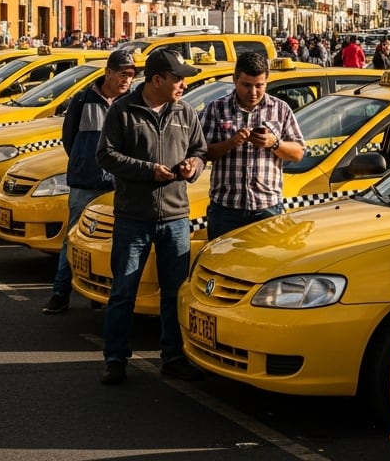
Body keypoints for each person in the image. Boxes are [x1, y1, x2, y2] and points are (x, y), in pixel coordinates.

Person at [95, 49, 207, 385]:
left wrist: (193, 167)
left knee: (174, 292)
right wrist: (148, 171)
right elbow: (106, 155)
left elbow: (199, 150)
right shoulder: (123, 111)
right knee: (123, 291)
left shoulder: (185, 112)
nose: (184, 84)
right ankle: (115, 359)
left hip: (175, 217)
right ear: (157, 80)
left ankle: (172, 356)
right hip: (134, 217)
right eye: (177, 78)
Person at [42, 49, 138, 315]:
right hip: (86, 182)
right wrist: (85, 162)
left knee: (112, 242)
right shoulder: (83, 99)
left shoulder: (132, 103)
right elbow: (69, 139)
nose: (127, 80)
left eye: (130, 75)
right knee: (73, 239)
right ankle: (61, 293)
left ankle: (99, 293)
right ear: (108, 72)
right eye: (122, 74)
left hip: (118, 185)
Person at [201, 52, 306, 240]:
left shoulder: (280, 109)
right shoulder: (216, 109)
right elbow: (203, 153)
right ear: (235, 80)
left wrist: (274, 143)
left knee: (266, 266)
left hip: (266, 209)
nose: (253, 92)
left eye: (260, 86)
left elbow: (298, 153)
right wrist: (230, 143)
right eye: (246, 85)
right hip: (226, 210)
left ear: (267, 81)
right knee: (222, 265)